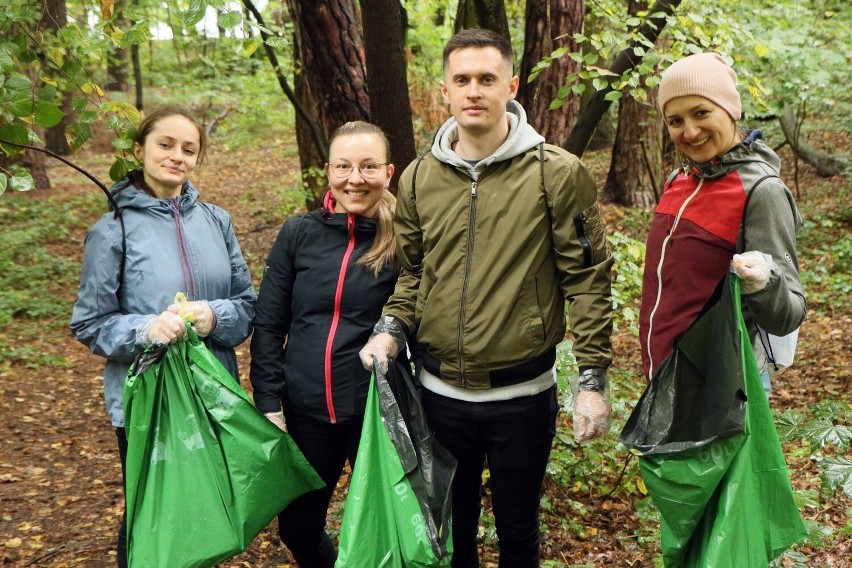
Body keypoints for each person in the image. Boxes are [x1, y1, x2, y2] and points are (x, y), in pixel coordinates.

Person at [360, 29, 614, 567]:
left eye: (486, 79)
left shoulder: (558, 173)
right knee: (452, 536)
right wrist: (390, 327)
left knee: (519, 534)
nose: (474, 90)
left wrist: (592, 380)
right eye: (462, 80)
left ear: (510, 86)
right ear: (446, 90)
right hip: (439, 395)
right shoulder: (418, 178)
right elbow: (412, 273)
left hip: (521, 396)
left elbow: (588, 278)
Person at [70, 107, 257, 568]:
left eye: (188, 149)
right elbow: (89, 323)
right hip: (147, 397)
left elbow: (249, 306)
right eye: (165, 145)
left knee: (208, 507)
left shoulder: (217, 221)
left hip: (214, 391)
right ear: (140, 150)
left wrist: (214, 315)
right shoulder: (112, 230)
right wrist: (145, 328)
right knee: (151, 512)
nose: (177, 156)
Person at [249, 121, 401, 568]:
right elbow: (270, 322)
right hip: (306, 412)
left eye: (368, 166)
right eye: (344, 166)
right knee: (297, 529)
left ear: (388, 172)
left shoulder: (406, 240)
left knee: (384, 526)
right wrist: (268, 401)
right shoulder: (299, 233)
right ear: (328, 170)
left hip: (374, 411)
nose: (355, 178)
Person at [639, 52, 806, 391]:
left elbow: (788, 314)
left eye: (701, 113)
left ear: (730, 109)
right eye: (675, 121)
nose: (690, 131)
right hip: (665, 378)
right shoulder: (679, 180)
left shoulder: (761, 192)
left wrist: (762, 282)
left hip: (725, 390)